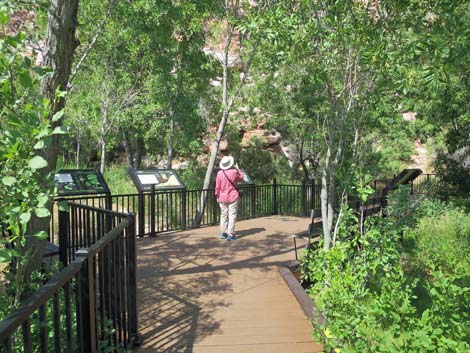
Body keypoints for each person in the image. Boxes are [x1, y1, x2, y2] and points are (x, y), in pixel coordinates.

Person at [215, 155, 244, 241]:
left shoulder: (219, 173)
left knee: (223, 215)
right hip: (233, 196)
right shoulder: (234, 172)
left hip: (222, 197)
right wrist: (238, 169)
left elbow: (217, 186)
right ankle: (230, 234)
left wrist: (217, 195)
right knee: (232, 215)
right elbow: (241, 178)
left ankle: (223, 233)